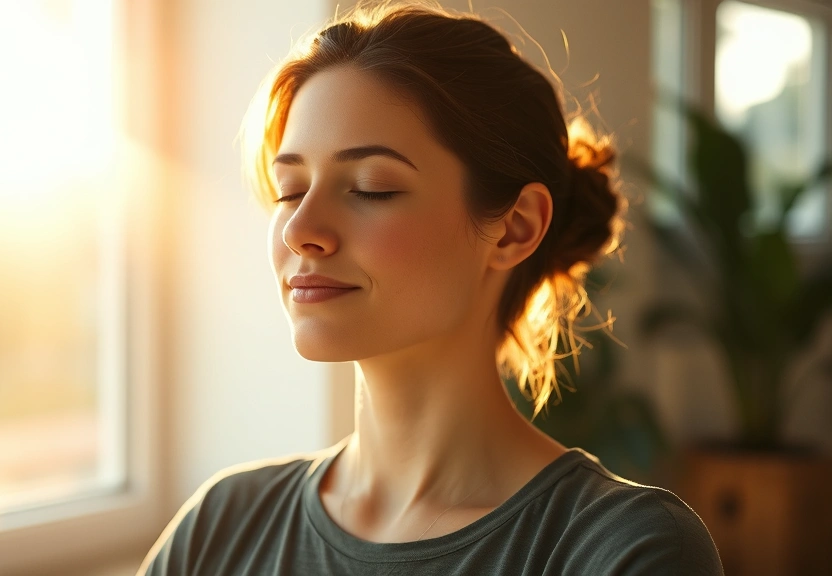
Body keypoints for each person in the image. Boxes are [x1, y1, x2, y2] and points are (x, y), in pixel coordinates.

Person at [139, 2, 723, 574]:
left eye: (371, 187)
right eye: (290, 190)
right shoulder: (222, 525)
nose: (299, 229)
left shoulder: (621, 549)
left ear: (515, 228)